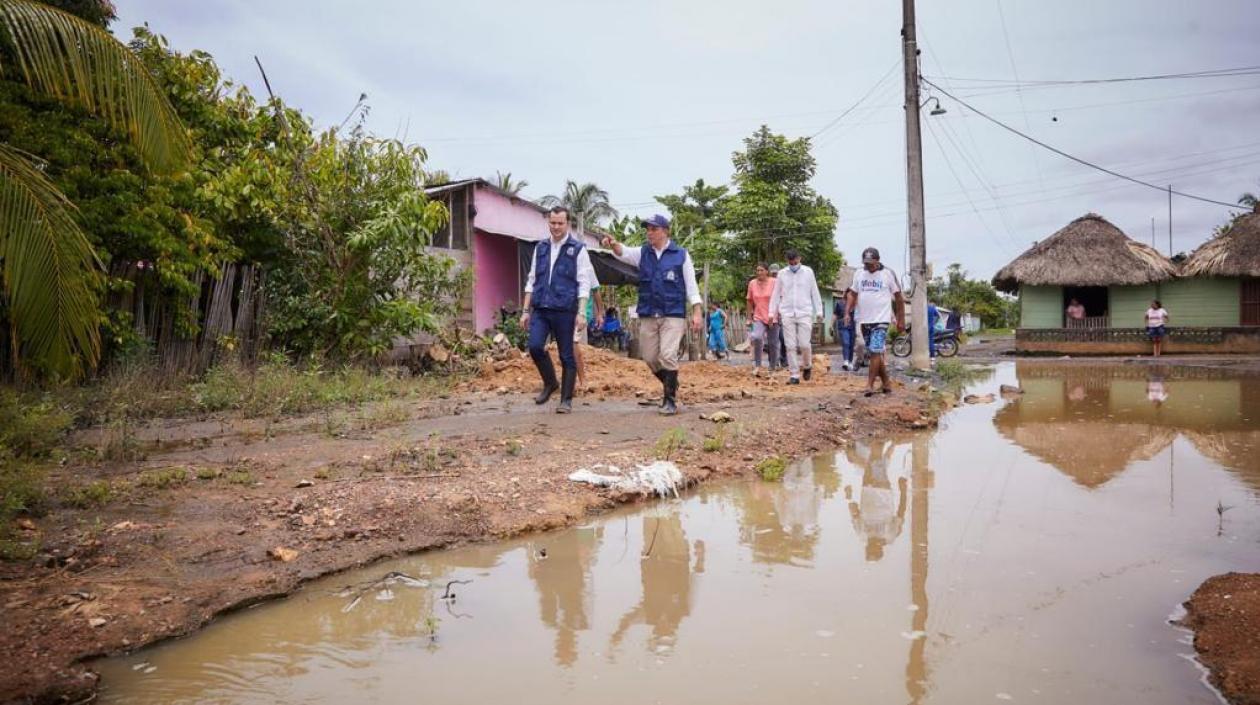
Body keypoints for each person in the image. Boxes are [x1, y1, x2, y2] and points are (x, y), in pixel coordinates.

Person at [602, 214, 703, 415]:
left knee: (667, 355)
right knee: (649, 357)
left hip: (673, 313)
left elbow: (691, 285)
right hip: (648, 312)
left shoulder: (681, 255)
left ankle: (670, 401)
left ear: (665, 231)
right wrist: (613, 244)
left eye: (654, 229)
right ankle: (670, 382)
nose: (649, 233)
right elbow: (623, 252)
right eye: (648, 229)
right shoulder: (643, 253)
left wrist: (697, 311)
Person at [520, 206, 596, 414]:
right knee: (535, 347)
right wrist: (525, 311)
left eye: (560, 223)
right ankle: (550, 382)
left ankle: (566, 400)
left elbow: (584, 283)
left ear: (567, 224)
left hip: (565, 309)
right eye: (552, 223)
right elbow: (531, 280)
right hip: (541, 308)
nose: (556, 227)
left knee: (566, 355)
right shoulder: (541, 248)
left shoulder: (578, 249)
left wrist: (582, 312)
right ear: (549, 223)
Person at [845, 247, 905, 397]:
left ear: (877, 261)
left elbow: (899, 298)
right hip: (864, 320)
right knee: (874, 352)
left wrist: (901, 319)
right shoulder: (859, 273)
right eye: (865, 263)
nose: (868, 266)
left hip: (881, 319)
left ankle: (869, 384)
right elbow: (853, 294)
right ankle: (886, 383)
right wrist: (847, 312)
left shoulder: (888, 273)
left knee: (876, 350)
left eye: (871, 263)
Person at [769, 249, 823, 385]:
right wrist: (771, 312)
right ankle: (794, 374)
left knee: (804, 344)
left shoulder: (808, 272)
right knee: (790, 345)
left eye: (795, 261)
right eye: (790, 262)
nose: (793, 264)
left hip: (804, 312)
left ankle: (807, 365)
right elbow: (776, 294)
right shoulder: (782, 274)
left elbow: (814, 292)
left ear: (800, 258)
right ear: (787, 261)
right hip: (787, 312)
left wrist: (819, 311)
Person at [745, 263, 779, 376]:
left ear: (767, 271)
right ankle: (757, 365)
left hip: (773, 317)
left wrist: (777, 314)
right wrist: (749, 318)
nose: (759, 272)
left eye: (762, 270)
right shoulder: (752, 283)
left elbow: (780, 298)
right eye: (757, 270)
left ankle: (772, 367)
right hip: (758, 316)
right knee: (757, 337)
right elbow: (749, 300)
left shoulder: (774, 282)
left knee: (773, 343)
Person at [574, 285, 605, 388]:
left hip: (582, 316)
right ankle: (576, 379)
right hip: (566, 313)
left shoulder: (588, 274)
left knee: (580, 348)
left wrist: (600, 314)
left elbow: (596, 291)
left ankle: (582, 379)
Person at [834, 295, 856, 371]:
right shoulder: (839, 303)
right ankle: (846, 361)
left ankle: (850, 361)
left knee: (851, 344)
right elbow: (835, 314)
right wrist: (831, 325)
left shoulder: (855, 303)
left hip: (853, 326)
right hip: (843, 326)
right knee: (846, 342)